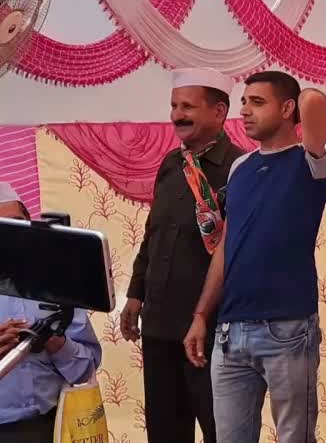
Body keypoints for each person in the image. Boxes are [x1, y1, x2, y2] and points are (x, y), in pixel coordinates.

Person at [183, 71, 326, 443]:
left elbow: (316, 102)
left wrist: (298, 99)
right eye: (244, 103)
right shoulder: (241, 168)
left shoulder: (312, 161)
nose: (245, 111)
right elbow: (226, 245)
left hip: (288, 328)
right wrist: (202, 314)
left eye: (257, 102)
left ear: (287, 109)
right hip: (230, 331)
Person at [122, 67, 243, 443]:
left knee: (218, 429)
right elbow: (152, 234)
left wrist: (205, 317)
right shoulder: (171, 165)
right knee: (165, 430)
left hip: (209, 331)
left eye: (187, 106)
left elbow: (236, 253)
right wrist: (135, 295)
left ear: (219, 112)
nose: (177, 115)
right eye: (174, 106)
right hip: (158, 325)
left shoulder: (240, 169)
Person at [0, 184, 102, 443]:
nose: (10, 238)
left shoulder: (56, 287)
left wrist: (55, 341)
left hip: (48, 428)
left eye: (16, 226)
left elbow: (84, 370)